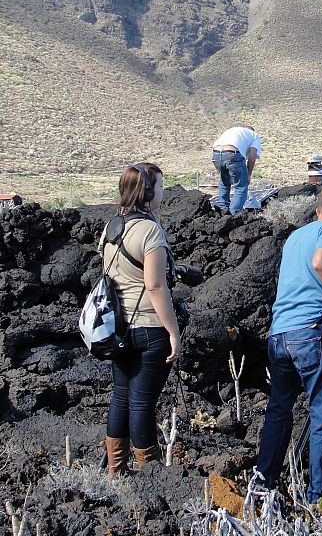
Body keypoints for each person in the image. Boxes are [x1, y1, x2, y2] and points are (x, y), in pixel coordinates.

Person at [252, 186, 322, 503]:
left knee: (278, 412)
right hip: (310, 334)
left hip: (279, 335)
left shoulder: (295, 236)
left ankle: (262, 486)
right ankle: (319, 499)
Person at [99, 163, 181, 479]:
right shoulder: (149, 230)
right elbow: (155, 286)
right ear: (147, 192)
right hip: (149, 327)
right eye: (159, 185)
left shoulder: (111, 227)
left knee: (121, 396)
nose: (162, 191)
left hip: (118, 329)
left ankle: (115, 473)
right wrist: (173, 331)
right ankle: (150, 476)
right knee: (143, 403)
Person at [212, 126, 262, 213]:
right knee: (241, 186)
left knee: (224, 182)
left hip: (216, 154)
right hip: (232, 153)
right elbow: (252, 156)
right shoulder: (254, 135)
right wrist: (248, 174)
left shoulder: (234, 131)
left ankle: (223, 208)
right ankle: (234, 213)